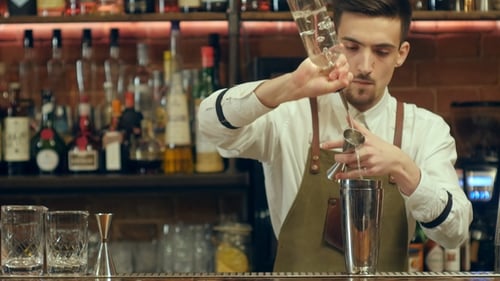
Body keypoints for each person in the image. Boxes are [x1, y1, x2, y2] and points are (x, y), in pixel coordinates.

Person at [198, 0, 473, 272]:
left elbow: (455, 233)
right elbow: (210, 125)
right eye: (352, 47)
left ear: (401, 54)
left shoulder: (425, 129)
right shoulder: (289, 115)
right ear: (333, 43)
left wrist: (404, 168)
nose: (365, 65)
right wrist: (287, 86)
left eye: (382, 51)